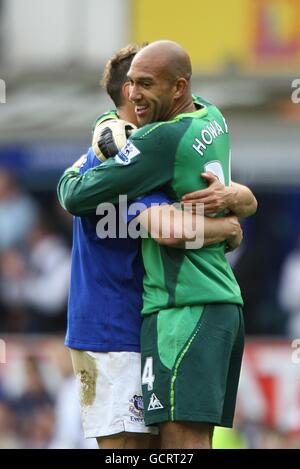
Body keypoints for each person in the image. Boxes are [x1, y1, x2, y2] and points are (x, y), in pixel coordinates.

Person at [58, 41, 257, 449]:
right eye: (133, 87)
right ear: (124, 102)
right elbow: (165, 226)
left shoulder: (151, 146)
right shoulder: (132, 159)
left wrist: (238, 199)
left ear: (176, 89)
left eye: (147, 85)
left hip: (156, 320)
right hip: (113, 335)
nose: (139, 97)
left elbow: (72, 189)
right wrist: (229, 228)